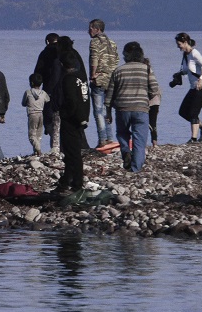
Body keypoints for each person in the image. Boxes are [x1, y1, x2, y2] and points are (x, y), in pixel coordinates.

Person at [106, 41, 160, 172]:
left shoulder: (118, 71)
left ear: (125, 55)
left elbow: (109, 95)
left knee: (122, 133)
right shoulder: (146, 69)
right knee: (140, 141)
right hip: (141, 109)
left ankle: (126, 152)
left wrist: (108, 112)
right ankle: (135, 169)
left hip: (122, 109)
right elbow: (154, 90)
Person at [55, 50, 90, 193]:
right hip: (81, 117)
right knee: (72, 152)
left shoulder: (68, 79)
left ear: (63, 65)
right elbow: (84, 98)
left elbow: (71, 100)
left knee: (72, 152)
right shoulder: (81, 77)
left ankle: (77, 183)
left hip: (71, 119)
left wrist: (64, 113)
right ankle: (66, 180)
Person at [172, 32, 202, 143]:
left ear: (185, 42)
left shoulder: (194, 53)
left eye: (179, 44)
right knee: (183, 112)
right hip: (193, 87)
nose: (178, 46)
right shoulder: (186, 55)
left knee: (193, 113)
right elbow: (189, 69)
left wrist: (201, 80)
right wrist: (179, 74)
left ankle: (193, 139)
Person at [87, 19, 119, 148]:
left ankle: (102, 138)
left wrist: (93, 74)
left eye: (90, 28)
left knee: (98, 111)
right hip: (111, 80)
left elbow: (94, 59)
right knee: (107, 109)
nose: (88, 31)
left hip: (99, 79)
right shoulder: (112, 43)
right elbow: (116, 60)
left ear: (97, 29)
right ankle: (110, 137)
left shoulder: (95, 42)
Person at [33, 33, 61, 151]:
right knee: (60, 118)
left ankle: (54, 145)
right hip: (65, 89)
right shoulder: (65, 53)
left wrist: (36, 86)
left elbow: (38, 72)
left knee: (49, 117)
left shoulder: (45, 53)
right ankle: (59, 145)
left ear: (47, 42)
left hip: (49, 89)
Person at [21, 73, 49, 156]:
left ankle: (38, 150)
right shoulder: (43, 93)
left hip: (32, 114)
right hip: (41, 114)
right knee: (38, 135)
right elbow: (47, 100)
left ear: (31, 83)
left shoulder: (28, 92)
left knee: (32, 135)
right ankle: (36, 151)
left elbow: (23, 103)